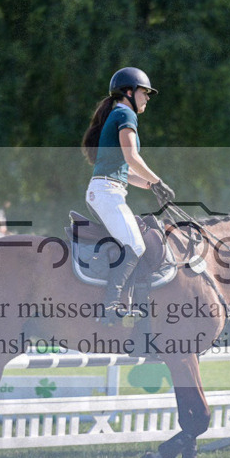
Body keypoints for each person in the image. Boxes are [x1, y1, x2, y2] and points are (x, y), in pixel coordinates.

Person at [81, 66, 175, 322]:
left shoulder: (118, 113)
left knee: (133, 240)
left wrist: (149, 185)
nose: (147, 98)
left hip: (107, 189)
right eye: (145, 92)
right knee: (135, 244)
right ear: (129, 92)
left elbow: (122, 169)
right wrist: (158, 180)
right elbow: (132, 157)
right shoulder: (125, 114)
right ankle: (109, 308)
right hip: (106, 193)